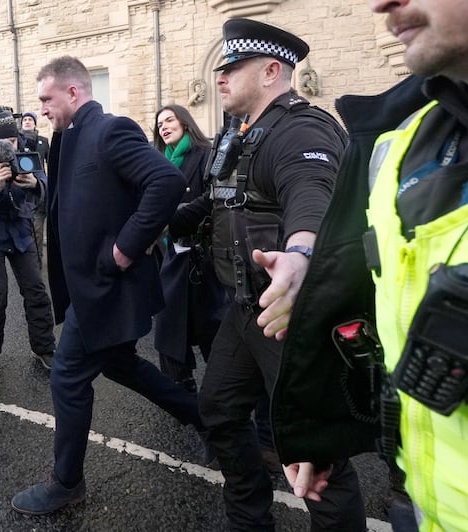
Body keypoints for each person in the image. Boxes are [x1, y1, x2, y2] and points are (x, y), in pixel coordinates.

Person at [273, 1, 468, 530]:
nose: (381, 3)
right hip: (421, 503)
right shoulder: (398, 140)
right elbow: (376, 298)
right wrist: (323, 428)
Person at [169, 19, 366, 530]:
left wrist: (301, 253)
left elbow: (311, 188)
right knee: (219, 409)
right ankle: (250, 521)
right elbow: (217, 205)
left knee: (316, 456)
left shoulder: (300, 127)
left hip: (287, 316)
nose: (221, 77)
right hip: (245, 308)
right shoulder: (240, 135)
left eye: (232, 68)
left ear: (272, 70)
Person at [10, 56, 206, 515]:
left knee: (67, 376)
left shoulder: (110, 129)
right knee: (121, 364)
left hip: (106, 288)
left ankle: (66, 483)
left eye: (46, 98)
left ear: (74, 92)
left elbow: (166, 180)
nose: (42, 109)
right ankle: (206, 417)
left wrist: (125, 248)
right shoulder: (68, 137)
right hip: (88, 288)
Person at [0, 107, 56, 373]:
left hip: (20, 231)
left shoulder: (27, 153)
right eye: (2, 142)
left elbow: (46, 185)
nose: (9, 146)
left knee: (36, 290)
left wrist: (35, 185)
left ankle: (44, 348)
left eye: (13, 140)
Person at [151, 104, 227, 394]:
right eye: (159, 124)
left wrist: (173, 218)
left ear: (185, 123)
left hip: (202, 255)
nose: (164, 126)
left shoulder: (205, 156)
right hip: (172, 253)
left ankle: (224, 388)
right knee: (169, 325)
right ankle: (180, 387)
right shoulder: (158, 162)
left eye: (169, 120)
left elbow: (213, 198)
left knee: (212, 324)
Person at [19, 111, 50, 268]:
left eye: (30, 119)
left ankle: (37, 264)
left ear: (35, 123)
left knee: (37, 231)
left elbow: (51, 162)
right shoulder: (17, 141)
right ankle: (26, 264)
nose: (27, 122)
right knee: (24, 231)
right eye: (25, 119)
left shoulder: (43, 142)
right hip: (21, 191)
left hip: (39, 191)